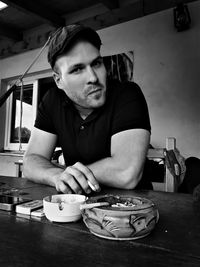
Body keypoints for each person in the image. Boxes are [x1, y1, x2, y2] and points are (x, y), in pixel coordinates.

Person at [23, 24, 152, 195]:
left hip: (132, 209)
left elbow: (126, 172)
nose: (93, 77)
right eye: (77, 70)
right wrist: (58, 176)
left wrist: (70, 177)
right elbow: (31, 161)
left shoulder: (126, 94)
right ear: (58, 80)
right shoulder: (52, 100)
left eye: (97, 63)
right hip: (76, 205)